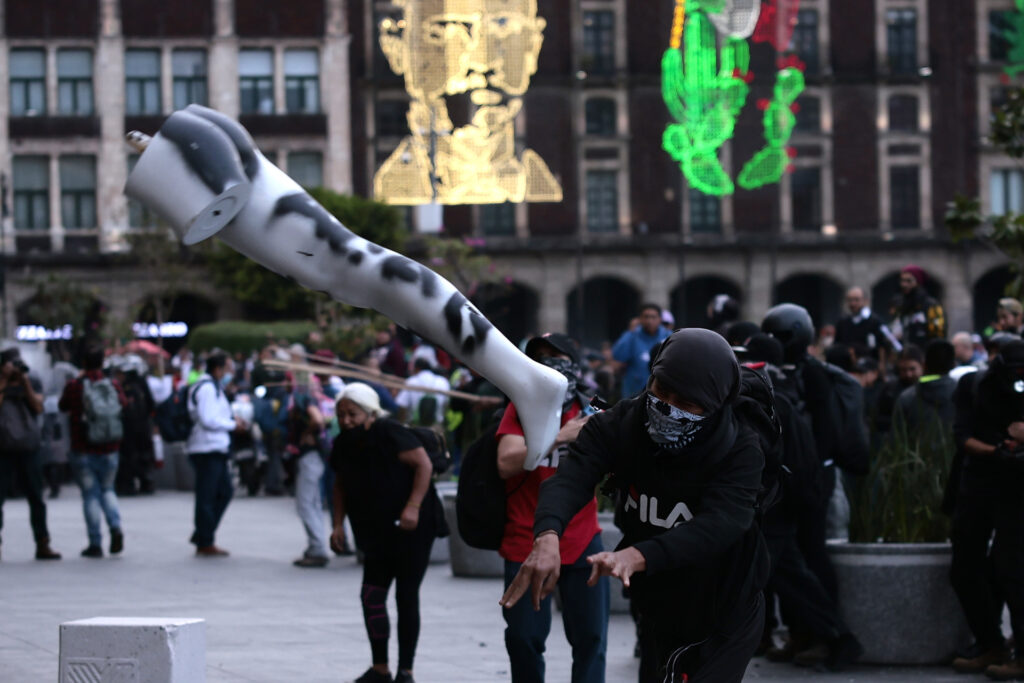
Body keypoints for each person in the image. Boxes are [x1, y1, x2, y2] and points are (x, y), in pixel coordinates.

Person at [502, 329, 769, 682]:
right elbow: (572, 476)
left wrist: (635, 556)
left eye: (687, 403)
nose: (668, 407)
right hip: (658, 599)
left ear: (716, 402)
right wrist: (548, 533)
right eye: (661, 390)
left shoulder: (739, 447)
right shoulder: (622, 422)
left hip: (724, 603)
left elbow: (721, 523)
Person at [496, 333, 608, 683]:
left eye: (555, 355)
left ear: (572, 362)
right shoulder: (520, 408)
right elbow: (506, 462)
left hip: (582, 539)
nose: (547, 363)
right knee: (524, 639)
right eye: (538, 356)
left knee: (591, 640)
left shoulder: (591, 411)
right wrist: (560, 436)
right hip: (525, 541)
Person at [374, 0, 562, 205]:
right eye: (446, 30)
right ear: (397, 49)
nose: (482, 63)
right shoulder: (395, 181)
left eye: (503, 25)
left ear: (533, 45)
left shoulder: (542, 181)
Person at [330, 383, 442, 683]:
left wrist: (413, 507)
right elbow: (339, 484)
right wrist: (338, 524)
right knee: (371, 596)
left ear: (369, 412)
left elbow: (424, 465)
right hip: (376, 532)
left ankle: (406, 671)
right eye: (340, 414)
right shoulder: (343, 443)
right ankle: (380, 668)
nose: (346, 420)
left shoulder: (389, 432)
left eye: (352, 414)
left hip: (413, 529)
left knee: (406, 596)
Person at [949, 340, 1024, 678]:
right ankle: (990, 642)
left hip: (1015, 489)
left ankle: (1018, 653)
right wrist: (997, 450)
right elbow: (962, 436)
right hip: (978, 485)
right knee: (965, 567)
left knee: (1012, 569)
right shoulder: (976, 385)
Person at [59, 345, 127, 559]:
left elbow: (63, 406)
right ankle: (115, 526)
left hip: (83, 449)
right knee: (108, 490)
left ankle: (95, 543)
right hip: (110, 448)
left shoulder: (75, 386)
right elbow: (123, 404)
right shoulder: (112, 384)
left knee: (90, 495)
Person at [0, 348, 60, 561]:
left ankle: (42, 543)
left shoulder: (31, 380)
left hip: (29, 446)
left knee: (36, 497)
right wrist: (4, 382)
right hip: (3, 448)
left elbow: (38, 407)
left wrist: (24, 383)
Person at [187, 353, 245, 557]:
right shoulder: (207, 388)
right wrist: (231, 425)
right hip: (206, 448)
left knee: (223, 491)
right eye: (227, 368)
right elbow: (208, 419)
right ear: (218, 369)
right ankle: (205, 539)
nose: (230, 373)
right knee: (208, 495)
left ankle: (204, 533)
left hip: (216, 448)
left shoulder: (214, 387)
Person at [288, 388, 329, 568]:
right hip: (315, 457)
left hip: (310, 456)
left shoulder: (304, 398)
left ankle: (318, 548)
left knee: (305, 504)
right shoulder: (313, 397)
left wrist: (308, 434)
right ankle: (316, 546)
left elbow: (318, 419)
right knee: (313, 503)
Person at [893, 340, 957, 435]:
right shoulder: (961, 394)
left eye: (912, 369)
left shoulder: (907, 397)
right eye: (903, 370)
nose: (908, 374)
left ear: (924, 364)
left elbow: (896, 437)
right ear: (953, 364)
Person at [612, 303, 671, 399]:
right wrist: (630, 332)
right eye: (646, 317)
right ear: (640, 319)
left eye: (653, 317)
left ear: (660, 319)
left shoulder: (668, 336)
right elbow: (618, 356)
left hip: (661, 393)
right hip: (634, 391)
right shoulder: (632, 336)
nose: (649, 321)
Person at [834, 287, 901, 366]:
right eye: (850, 300)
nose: (853, 303)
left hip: (870, 367)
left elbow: (884, 345)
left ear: (865, 301)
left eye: (856, 300)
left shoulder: (875, 322)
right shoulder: (842, 322)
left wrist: (881, 365)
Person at [890, 265, 946, 348]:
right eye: (902, 280)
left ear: (918, 282)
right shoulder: (902, 306)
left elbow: (938, 334)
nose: (904, 284)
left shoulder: (931, 305)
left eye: (909, 281)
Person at [395, 357, 450, 426]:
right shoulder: (443, 381)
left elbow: (402, 406)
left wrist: (401, 425)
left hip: (415, 425)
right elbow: (446, 406)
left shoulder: (412, 381)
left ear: (417, 368)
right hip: (435, 426)